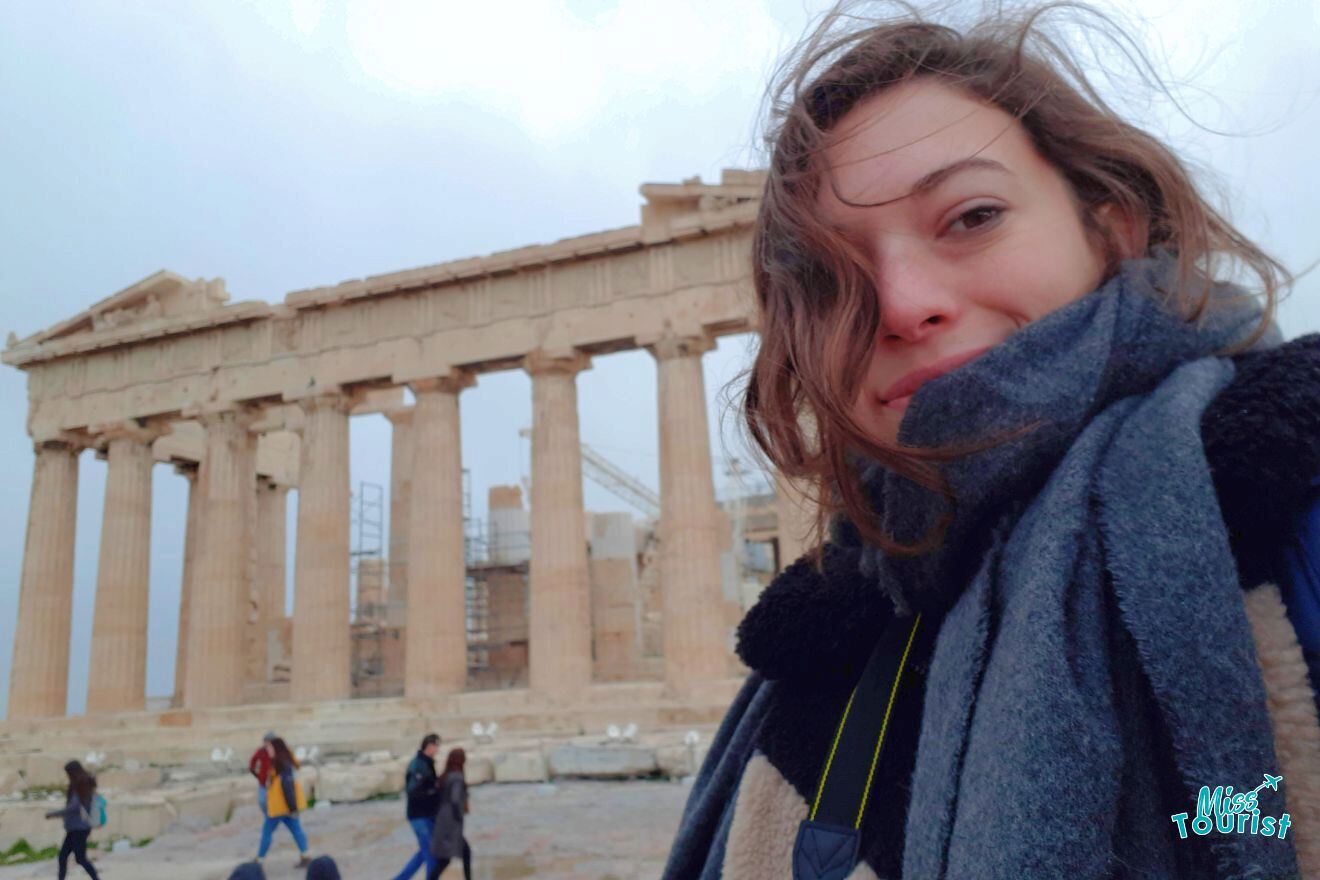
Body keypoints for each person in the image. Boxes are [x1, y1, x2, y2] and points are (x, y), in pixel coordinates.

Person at [662, 3, 1320, 880]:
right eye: (832, 277)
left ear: (1111, 222)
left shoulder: (1292, 510)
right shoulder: (817, 652)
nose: (900, 302)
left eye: (971, 216)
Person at [391, 733, 443, 880]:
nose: (438, 749)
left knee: (424, 852)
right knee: (431, 853)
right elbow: (413, 791)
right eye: (437, 746)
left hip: (428, 815)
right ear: (430, 745)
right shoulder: (418, 765)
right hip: (419, 816)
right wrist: (433, 791)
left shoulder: (427, 763)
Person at [257, 736, 313, 868]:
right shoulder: (283, 761)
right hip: (285, 806)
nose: (267, 749)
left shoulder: (281, 763)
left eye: (269, 747)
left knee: (267, 832)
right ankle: (306, 855)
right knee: (296, 829)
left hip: (280, 807)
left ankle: (259, 860)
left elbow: (287, 786)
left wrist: (292, 806)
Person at [45, 761, 101, 880]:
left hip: (79, 828)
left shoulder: (81, 786)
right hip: (75, 828)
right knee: (63, 857)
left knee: (80, 859)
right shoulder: (81, 785)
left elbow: (73, 808)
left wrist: (54, 814)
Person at [427, 749, 471, 880]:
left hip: (443, 819)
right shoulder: (457, 776)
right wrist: (458, 816)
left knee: (464, 852)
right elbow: (456, 799)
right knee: (445, 859)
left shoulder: (446, 775)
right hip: (451, 822)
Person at [248, 731, 277, 818]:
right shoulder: (261, 751)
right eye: (266, 741)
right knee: (262, 801)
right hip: (263, 783)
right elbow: (252, 762)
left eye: (269, 741)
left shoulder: (278, 752)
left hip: (276, 783)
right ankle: (268, 816)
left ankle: (276, 816)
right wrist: (257, 775)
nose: (266, 743)